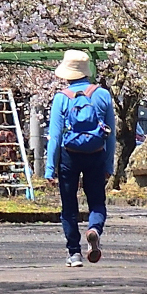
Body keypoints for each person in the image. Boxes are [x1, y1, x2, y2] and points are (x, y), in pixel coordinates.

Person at [45, 49, 116, 267]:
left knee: (69, 206)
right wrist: (108, 164)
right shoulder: (102, 95)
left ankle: (74, 253)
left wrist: (50, 168)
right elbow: (111, 134)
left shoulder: (61, 98)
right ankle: (94, 229)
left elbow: (55, 136)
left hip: (69, 156)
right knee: (96, 201)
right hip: (95, 154)